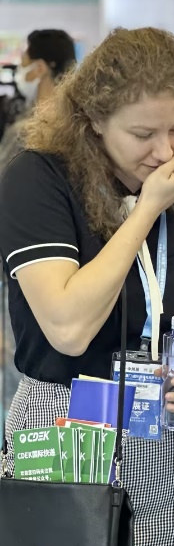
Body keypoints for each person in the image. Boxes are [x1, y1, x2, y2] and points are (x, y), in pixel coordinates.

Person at [0, 28, 174, 546]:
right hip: (68, 431)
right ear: (93, 121)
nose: (164, 152)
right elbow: (68, 328)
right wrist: (147, 209)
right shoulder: (38, 180)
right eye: (142, 134)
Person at [0, 30, 76, 417]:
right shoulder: (86, 129)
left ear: (43, 67)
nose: (22, 72)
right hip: (70, 277)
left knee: (20, 377)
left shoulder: (25, 137)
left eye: (26, 63)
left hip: (24, 276)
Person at [0, 28, 76, 173]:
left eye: (23, 64)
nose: (19, 72)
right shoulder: (78, 120)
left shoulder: (25, 131)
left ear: (40, 68)